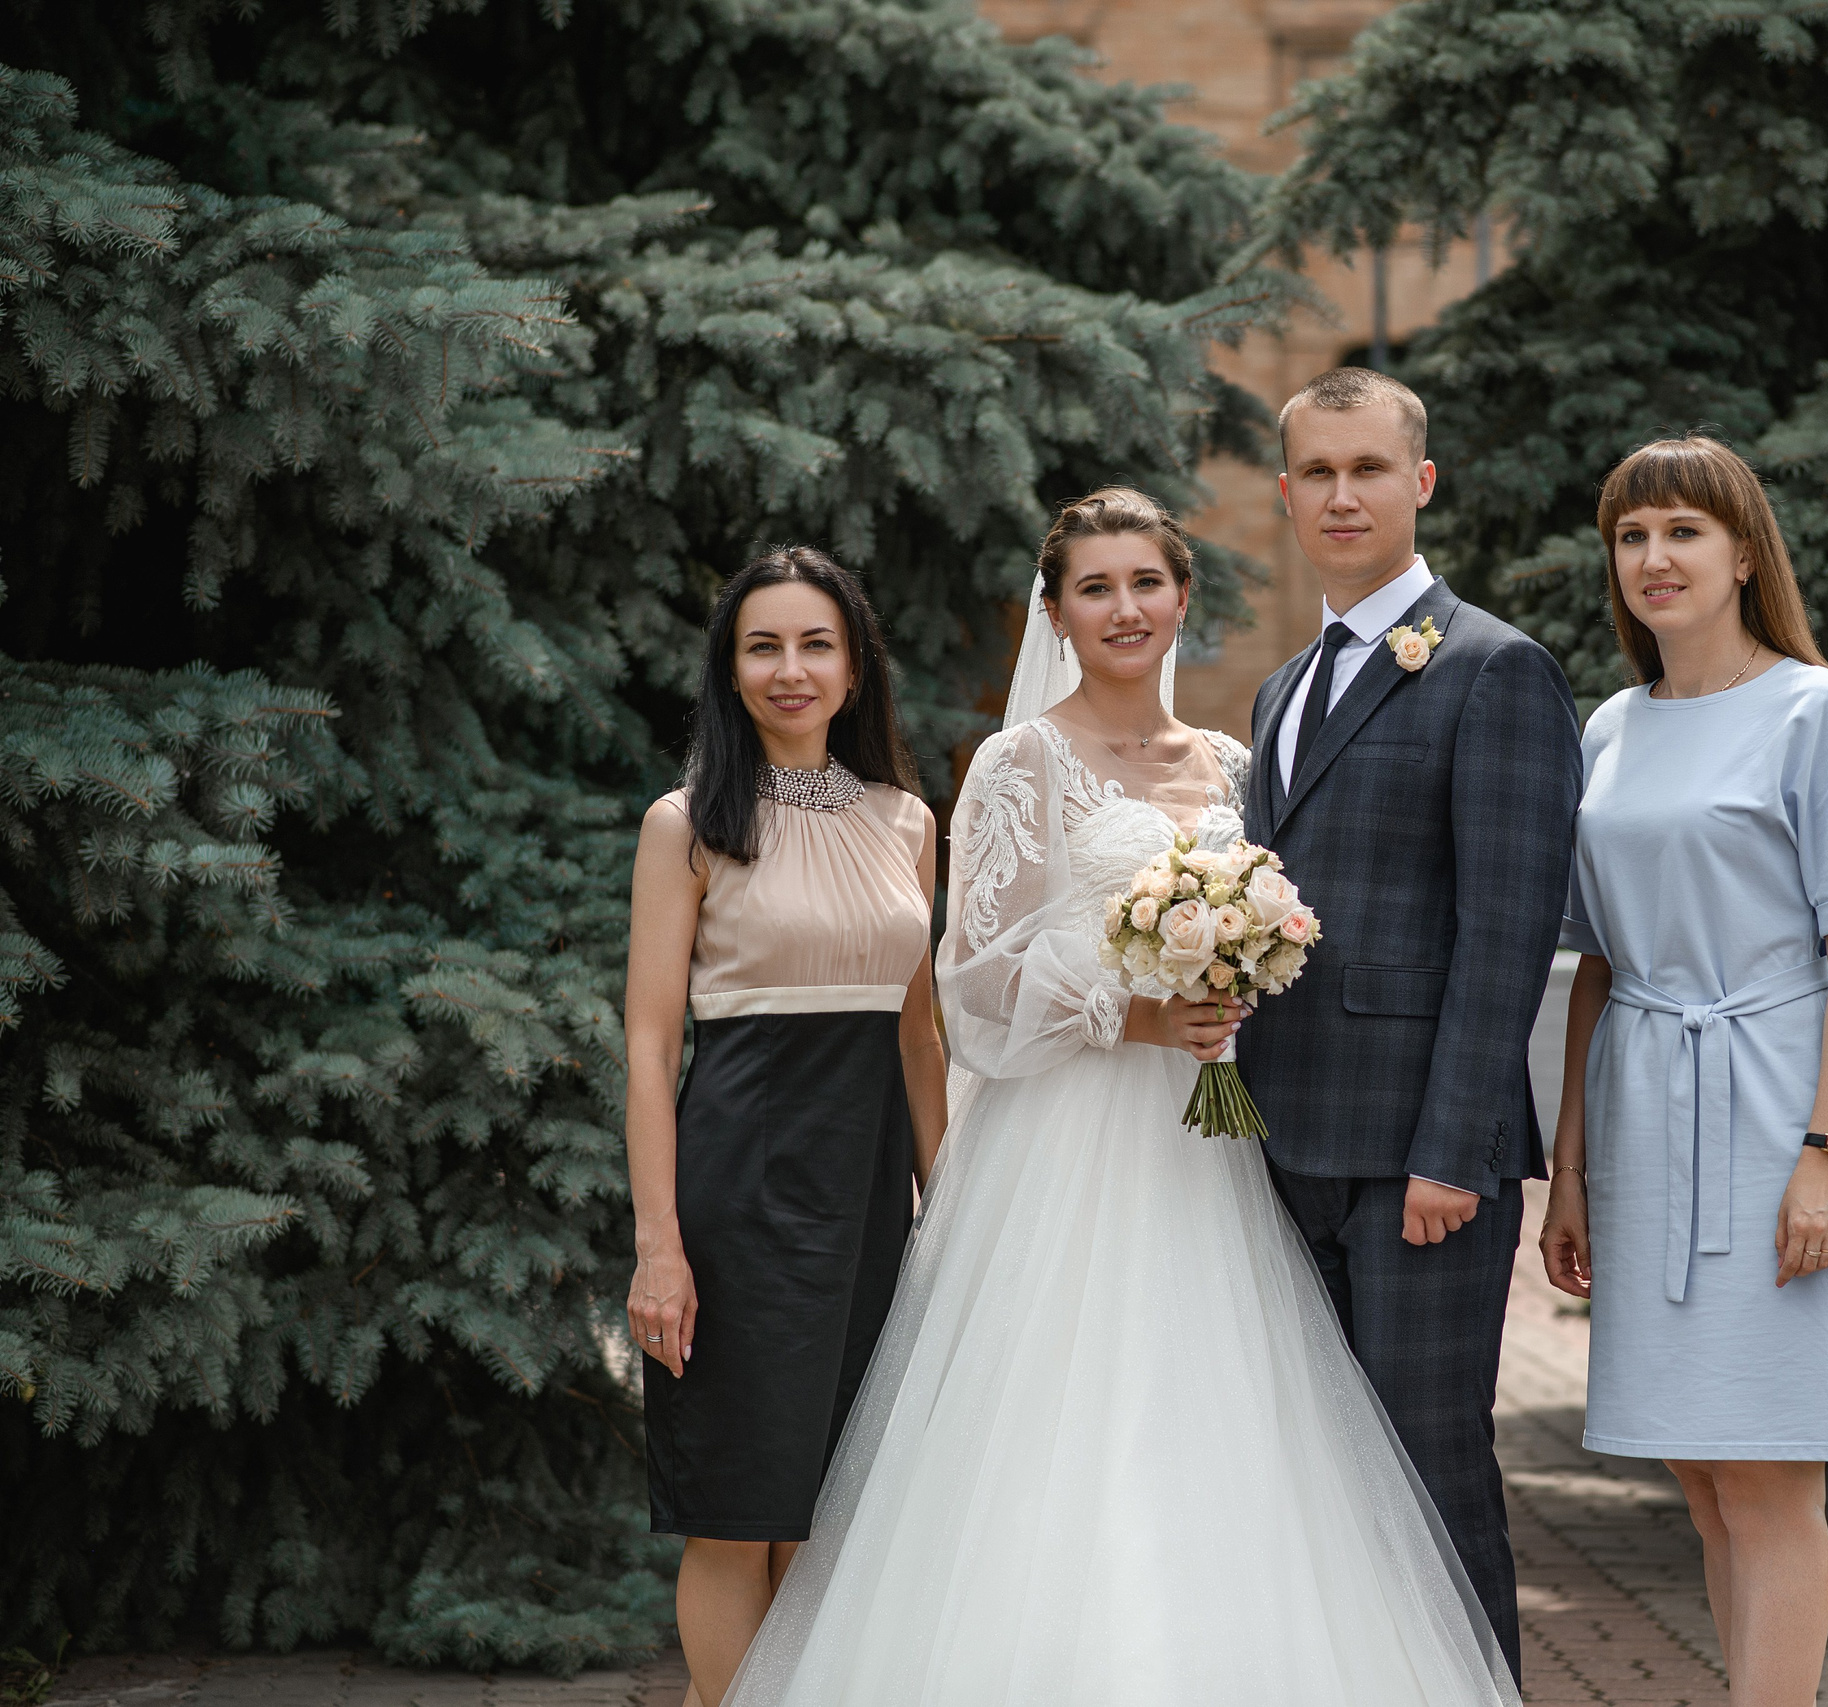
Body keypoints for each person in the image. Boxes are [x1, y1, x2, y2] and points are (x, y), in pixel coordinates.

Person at [723, 488, 1518, 1707]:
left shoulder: (1240, 762)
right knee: (1055, 1441)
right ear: (1055, 612)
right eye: (1093, 588)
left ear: (1182, 598)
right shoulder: (1016, 761)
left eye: (1145, 583)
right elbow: (970, 990)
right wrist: (1131, 1008)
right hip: (1066, 1149)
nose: (1124, 608)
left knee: (1223, 1435)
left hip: (1211, 1147)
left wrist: (1239, 984)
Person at [1538, 436, 1828, 1707]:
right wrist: (1569, 1171)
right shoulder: (1610, 727)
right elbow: (1594, 965)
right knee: (1698, 1477)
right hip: (1644, 1112)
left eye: (1683, 533)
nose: (1654, 559)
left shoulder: (1817, 709)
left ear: (1744, 554)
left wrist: (1824, 1158)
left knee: (1763, 1473)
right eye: (1631, 538)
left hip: (1774, 1108)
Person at [1237, 367, 1585, 1682]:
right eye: (1316, 472)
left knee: (1431, 1465)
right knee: (1321, 1477)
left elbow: (1507, 933)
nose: (1341, 493)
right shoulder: (1279, 692)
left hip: (1417, 1162)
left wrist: (1452, 1150)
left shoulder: (1495, 668)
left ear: (1419, 482)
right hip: (1283, 1141)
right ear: (1285, 494)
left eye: (1367, 468)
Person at [623, 547, 946, 1707]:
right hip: (736, 1195)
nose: (790, 668)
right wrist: (660, 1244)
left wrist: (947, 1210)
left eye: (816, 644)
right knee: (737, 1512)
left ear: (854, 669)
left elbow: (919, 1041)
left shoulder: (906, 820)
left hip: (863, 1203)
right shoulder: (687, 823)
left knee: (829, 1510)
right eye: (764, 645)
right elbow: (652, 1046)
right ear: (732, 668)